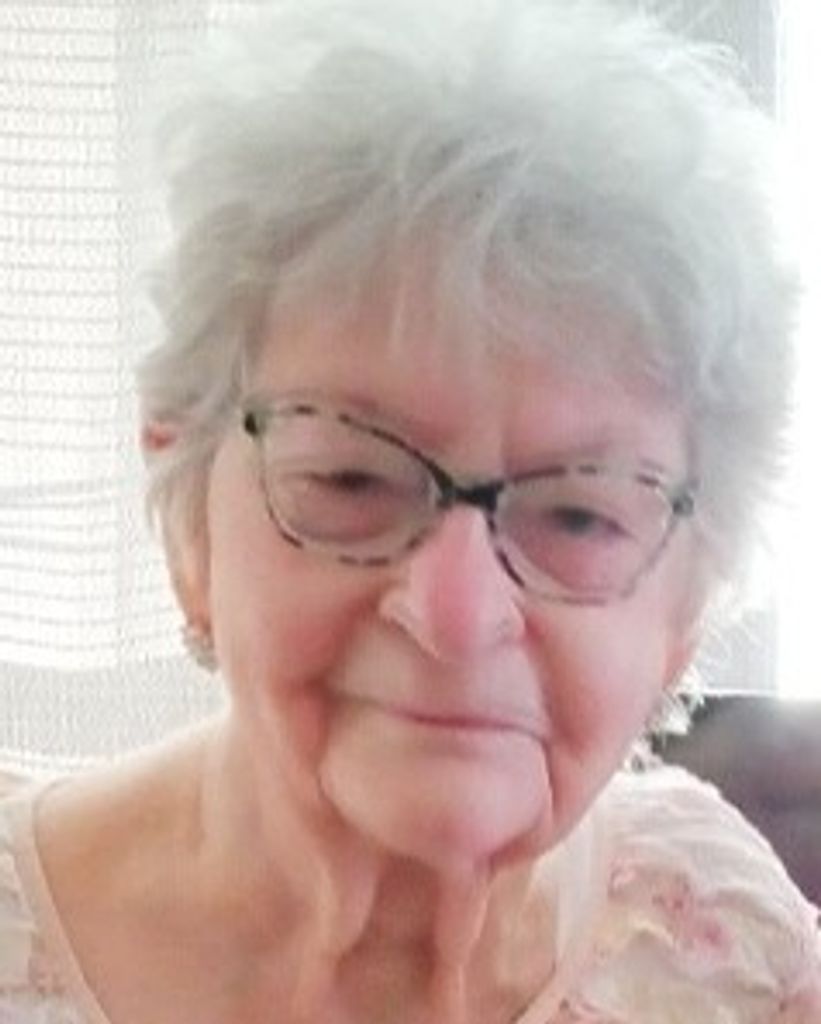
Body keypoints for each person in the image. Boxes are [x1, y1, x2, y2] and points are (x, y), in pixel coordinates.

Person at [1, 1, 819, 1021]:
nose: (456, 614)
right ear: (188, 525)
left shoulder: (718, 949)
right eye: (351, 479)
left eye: (577, 517)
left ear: (682, 616)